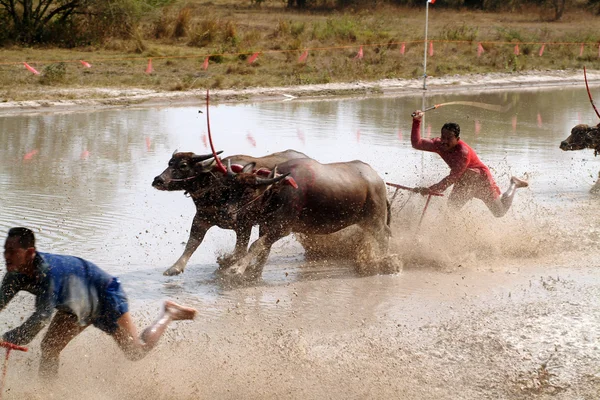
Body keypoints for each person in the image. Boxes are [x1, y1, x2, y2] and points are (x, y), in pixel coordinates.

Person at [0, 227, 197, 379]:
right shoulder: (14, 274)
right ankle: (46, 393)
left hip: (104, 295)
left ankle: (168, 313)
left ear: (30, 252)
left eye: (12, 251)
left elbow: (41, 318)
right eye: (5, 250)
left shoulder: (48, 274)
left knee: (135, 351)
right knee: (49, 349)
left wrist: (9, 336)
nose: (6, 256)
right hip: (77, 305)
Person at [411, 110, 528, 217]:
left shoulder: (463, 152)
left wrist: (430, 189)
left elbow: (453, 177)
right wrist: (417, 121)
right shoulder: (438, 144)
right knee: (451, 209)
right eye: (443, 137)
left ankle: (514, 183)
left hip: (481, 180)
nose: (445, 142)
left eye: (449, 138)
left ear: (457, 139)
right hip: (464, 181)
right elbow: (417, 143)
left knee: (499, 212)